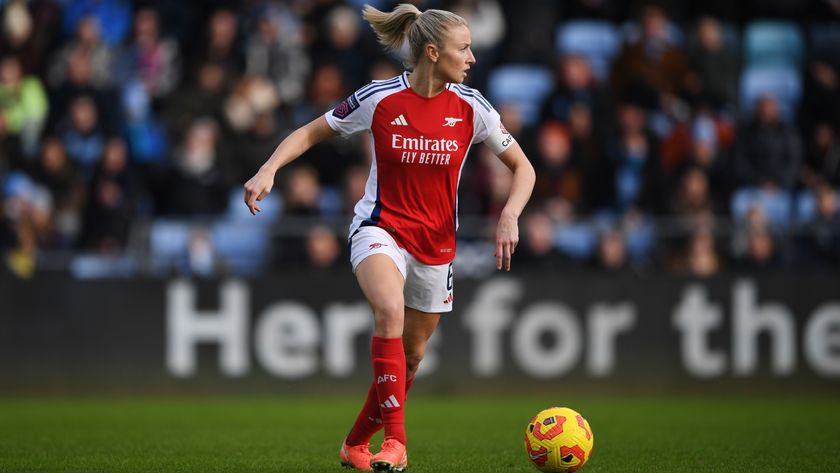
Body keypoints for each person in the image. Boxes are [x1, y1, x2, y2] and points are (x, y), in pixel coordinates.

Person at [242, 4, 535, 471]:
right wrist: (269, 169)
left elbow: (523, 167)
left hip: (437, 246)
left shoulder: (473, 108)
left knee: (412, 357)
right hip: (380, 228)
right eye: (465, 48)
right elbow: (312, 132)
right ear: (434, 53)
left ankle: (356, 442)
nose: (473, 58)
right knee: (389, 309)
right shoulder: (379, 98)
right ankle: (397, 443)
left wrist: (510, 214)